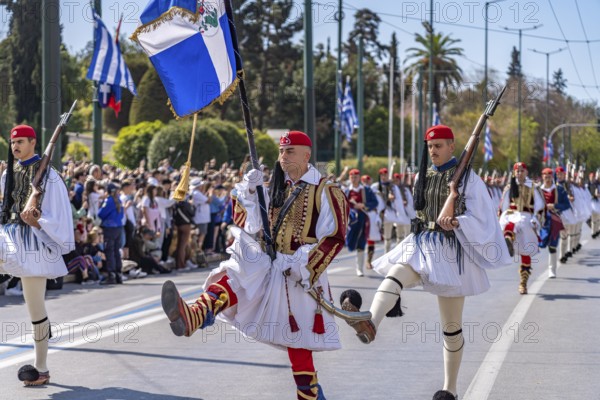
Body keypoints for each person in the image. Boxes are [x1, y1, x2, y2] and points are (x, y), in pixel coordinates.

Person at [160, 131, 348, 400]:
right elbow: (249, 223)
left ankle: (310, 397)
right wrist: (249, 191)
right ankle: (197, 314)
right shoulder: (275, 189)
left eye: (290, 152)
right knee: (238, 271)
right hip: (272, 263)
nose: (283, 157)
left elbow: (335, 236)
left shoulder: (326, 191)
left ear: (307, 155)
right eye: (281, 152)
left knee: (299, 346)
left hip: (302, 273)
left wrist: (303, 265)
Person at [343, 125, 512, 400]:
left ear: (452, 147)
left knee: (451, 327)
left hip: (451, 251)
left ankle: (450, 389)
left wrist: (457, 220)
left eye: (439, 146)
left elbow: (483, 216)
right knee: (395, 274)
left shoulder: (468, 178)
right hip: (421, 241)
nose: (432, 151)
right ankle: (370, 324)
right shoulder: (424, 174)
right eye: (430, 147)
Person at [0, 125, 75, 386]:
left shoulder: (50, 177)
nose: (15, 147)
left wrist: (38, 221)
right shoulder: (8, 172)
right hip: (8, 236)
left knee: (35, 309)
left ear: (33, 143)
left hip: (33, 242)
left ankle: (41, 367)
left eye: (21, 142)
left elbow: (59, 213)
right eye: (13, 143)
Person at [499, 162, 545, 294]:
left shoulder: (533, 187)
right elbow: (504, 205)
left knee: (526, 251)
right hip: (512, 214)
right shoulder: (509, 187)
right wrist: (503, 215)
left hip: (526, 216)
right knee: (509, 223)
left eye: (521, 171)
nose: (519, 173)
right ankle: (508, 240)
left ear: (526, 172)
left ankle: (523, 282)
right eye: (517, 171)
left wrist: (536, 218)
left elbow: (540, 205)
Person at [344, 168, 378, 276]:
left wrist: (364, 205)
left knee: (361, 242)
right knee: (350, 242)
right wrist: (351, 208)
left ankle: (359, 269)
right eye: (352, 177)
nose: (354, 179)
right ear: (349, 178)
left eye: (356, 177)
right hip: (350, 221)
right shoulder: (346, 191)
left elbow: (375, 202)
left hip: (363, 219)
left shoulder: (366, 190)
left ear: (359, 178)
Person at [538, 168, 570, 278]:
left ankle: (552, 270)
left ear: (552, 177)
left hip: (555, 219)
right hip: (541, 220)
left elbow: (567, 205)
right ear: (542, 177)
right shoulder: (537, 190)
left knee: (553, 244)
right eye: (545, 177)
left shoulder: (559, 190)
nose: (547, 179)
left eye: (549, 177)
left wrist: (555, 206)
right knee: (541, 242)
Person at [98, 183, 125, 284]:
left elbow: (101, 214)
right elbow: (122, 215)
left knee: (109, 252)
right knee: (116, 251)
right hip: (118, 227)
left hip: (109, 228)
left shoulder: (109, 201)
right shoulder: (119, 200)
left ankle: (111, 275)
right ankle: (118, 274)